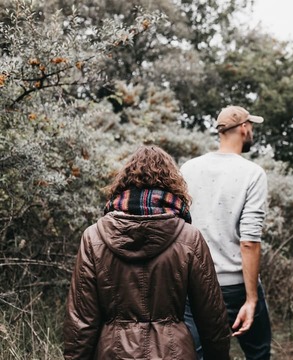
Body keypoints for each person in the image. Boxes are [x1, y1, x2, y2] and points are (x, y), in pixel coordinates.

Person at [64, 145, 230, 360]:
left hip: (112, 352)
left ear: (123, 183)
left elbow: (81, 320)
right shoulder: (189, 238)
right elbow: (212, 317)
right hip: (174, 352)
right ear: (173, 186)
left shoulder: (94, 237)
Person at [181, 105, 272, 360]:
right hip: (235, 287)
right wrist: (251, 299)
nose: (252, 130)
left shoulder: (188, 168)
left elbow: (179, 226)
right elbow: (249, 242)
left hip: (194, 284)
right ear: (243, 128)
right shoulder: (253, 173)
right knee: (258, 352)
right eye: (251, 125)